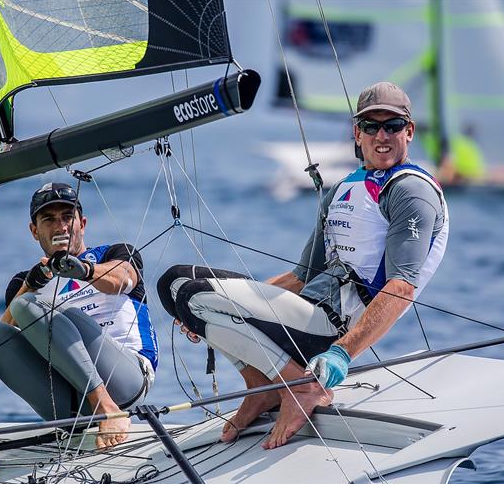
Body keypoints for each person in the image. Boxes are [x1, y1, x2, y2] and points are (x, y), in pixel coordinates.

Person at [158, 82, 449, 449]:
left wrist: (342, 353)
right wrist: (218, 314)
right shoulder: (343, 188)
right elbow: (300, 277)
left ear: (409, 131)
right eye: (371, 127)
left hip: (332, 331)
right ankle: (263, 388)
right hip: (306, 313)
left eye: (392, 126)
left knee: (189, 289)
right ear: (356, 133)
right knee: (180, 290)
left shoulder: (410, 190)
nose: (382, 136)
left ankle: (303, 387)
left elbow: (401, 288)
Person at [0, 182, 158, 456]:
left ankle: (107, 409)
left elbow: (122, 279)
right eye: (48, 219)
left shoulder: (114, 253)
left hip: (125, 381)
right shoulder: (25, 281)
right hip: (65, 401)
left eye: (67, 217)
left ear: (82, 223)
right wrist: (30, 285)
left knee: (49, 310)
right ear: (34, 231)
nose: (60, 226)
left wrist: (83, 270)